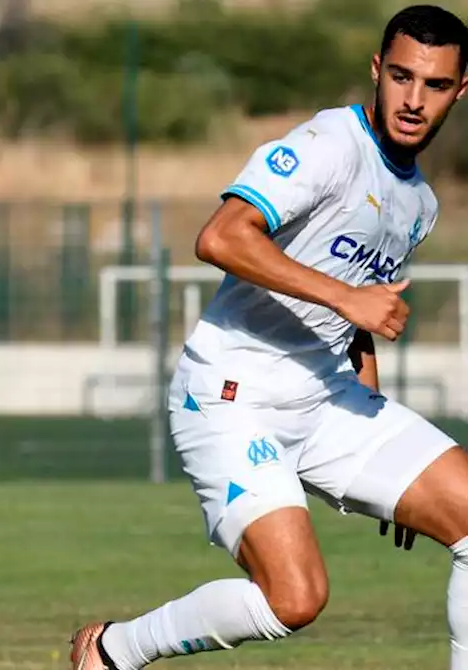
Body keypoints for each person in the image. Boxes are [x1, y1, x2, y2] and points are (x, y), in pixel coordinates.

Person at [69, 5, 469, 668]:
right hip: (232, 397)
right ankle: (114, 649)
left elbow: (356, 316)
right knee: (295, 599)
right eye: (401, 76)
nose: (412, 98)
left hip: (326, 402)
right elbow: (220, 237)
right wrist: (351, 300)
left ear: (461, 90)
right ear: (377, 70)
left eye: (433, 85)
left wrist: (384, 455)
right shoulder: (329, 145)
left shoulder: (419, 201)